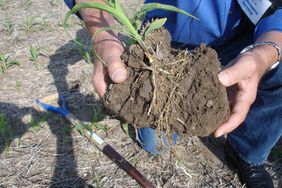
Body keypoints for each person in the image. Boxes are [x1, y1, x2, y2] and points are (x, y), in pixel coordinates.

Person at [64, 0, 282, 187]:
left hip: (251, 38)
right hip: (168, 41)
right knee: (156, 144)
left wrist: (265, 53)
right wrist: (102, 37)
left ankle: (247, 154)